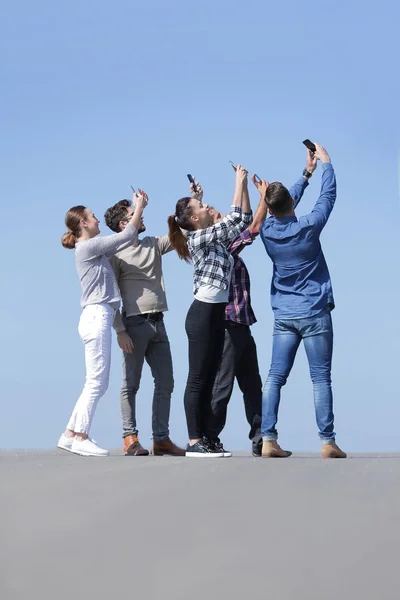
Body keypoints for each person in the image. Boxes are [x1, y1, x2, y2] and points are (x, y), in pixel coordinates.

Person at [251, 144, 346, 458]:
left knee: (275, 377)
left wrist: (306, 173)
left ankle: (267, 438)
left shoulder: (266, 232)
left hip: (284, 315)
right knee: (320, 377)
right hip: (315, 311)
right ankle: (327, 441)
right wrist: (326, 165)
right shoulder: (308, 227)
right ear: (291, 202)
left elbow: (282, 204)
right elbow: (327, 198)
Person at [168, 166, 252, 457]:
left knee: (211, 376)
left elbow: (245, 220)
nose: (206, 207)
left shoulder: (211, 237)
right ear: (194, 218)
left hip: (217, 313)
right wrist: (239, 182)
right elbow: (237, 219)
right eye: (201, 207)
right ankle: (194, 441)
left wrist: (197, 197)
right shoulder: (197, 239)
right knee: (197, 379)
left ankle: (206, 437)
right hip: (202, 314)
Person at [57, 191, 148, 457]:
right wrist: (139, 207)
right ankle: (81, 436)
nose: (97, 219)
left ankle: (70, 434)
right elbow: (127, 236)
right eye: (93, 216)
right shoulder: (87, 247)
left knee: (94, 381)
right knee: (97, 382)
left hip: (98, 317)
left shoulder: (92, 249)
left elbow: (122, 242)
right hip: (96, 317)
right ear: (83, 224)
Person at [104, 197, 185, 457]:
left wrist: (197, 198)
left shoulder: (152, 244)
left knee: (166, 382)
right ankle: (130, 438)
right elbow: (112, 296)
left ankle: (161, 439)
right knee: (131, 384)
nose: (142, 217)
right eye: (134, 213)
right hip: (134, 324)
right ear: (124, 223)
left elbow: (181, 232)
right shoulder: (115, 255)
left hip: (158, 323)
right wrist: (120, 330)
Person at [189, 179, 263, 457]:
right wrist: (264, 198)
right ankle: (209, 435)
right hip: (228, 323)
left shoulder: (222, 244)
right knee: (223, 385)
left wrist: (244, 188)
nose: (224, 219)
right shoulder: (222, 244)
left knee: (252, 385)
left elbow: (243, 219)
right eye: (219, 218)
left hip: (243, 323)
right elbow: (251, 224)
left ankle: (261, 439)